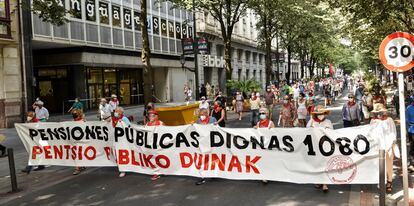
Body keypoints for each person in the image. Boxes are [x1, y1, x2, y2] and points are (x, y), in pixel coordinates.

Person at [370, 103, 397, 193]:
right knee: (379, 166)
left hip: (388, 146)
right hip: (378, 147)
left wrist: (390, 145)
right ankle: (381, 181)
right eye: (377, 112)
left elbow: (393, 133)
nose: (379, 114)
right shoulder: (373, 121)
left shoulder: (389, 120)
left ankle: (389, 181)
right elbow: (371, 134)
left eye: (380, 112)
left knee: (389, 165)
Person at [307, 105, 333, 193]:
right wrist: (311, 123)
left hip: (325, 146)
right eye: (319, 114)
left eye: (322, 114)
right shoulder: (312, 121)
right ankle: (318, 180)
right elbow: (306, 130)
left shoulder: (328, 122)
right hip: (314, 146)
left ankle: (325, 183)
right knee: (316, 164)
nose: (320, 115)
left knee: (324, 164)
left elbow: (332, 133)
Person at [194, 108, 217, 185]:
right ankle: (202, 177)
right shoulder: (198, 121)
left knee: (211, 158)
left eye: (203, 114)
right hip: (201, 143)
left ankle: (212, 173)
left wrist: (215, 125)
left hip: (211, 142)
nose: (202, 116)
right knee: (202, 159)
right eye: (200, 115)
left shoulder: (212, 119)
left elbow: (217, 129)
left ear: (207, 114)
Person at [111, 107, 131, 178]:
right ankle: (121, 166)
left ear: (120, 112)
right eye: (115, 111)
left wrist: (122, 122)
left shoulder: (124, 118)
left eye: (116, 111)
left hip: (123, 140)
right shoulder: (113, 119)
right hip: (115, 139)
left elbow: (129, 127)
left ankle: (123, 170)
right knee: (115, 154)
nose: (115, 112)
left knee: (121, 154)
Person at [145, 110, 164, 180]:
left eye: (152, 115)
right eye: (149, 115)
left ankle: (158, 172)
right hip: (150, 144)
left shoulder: (160, 123)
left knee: (159, 158)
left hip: (158, 144)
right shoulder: (147, 124)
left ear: (156, 116)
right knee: (152, 158)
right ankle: (156, 172)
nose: (150, 117)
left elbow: (167, 131)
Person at [71, 109, 86, 175]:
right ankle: (79, 166)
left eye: (75, 114)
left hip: (81, 141)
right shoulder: (72, 122)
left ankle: (78, 168)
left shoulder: (82, 122)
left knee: (78, 154)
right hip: (74, 141)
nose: (74, 115)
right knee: (76, 154)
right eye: (73, 114)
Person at [406, 98, 414, 171]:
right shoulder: (409, 108)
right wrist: (407, 130)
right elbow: (406, 120)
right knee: (412, 147)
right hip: (412, 130)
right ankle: (412, 164)